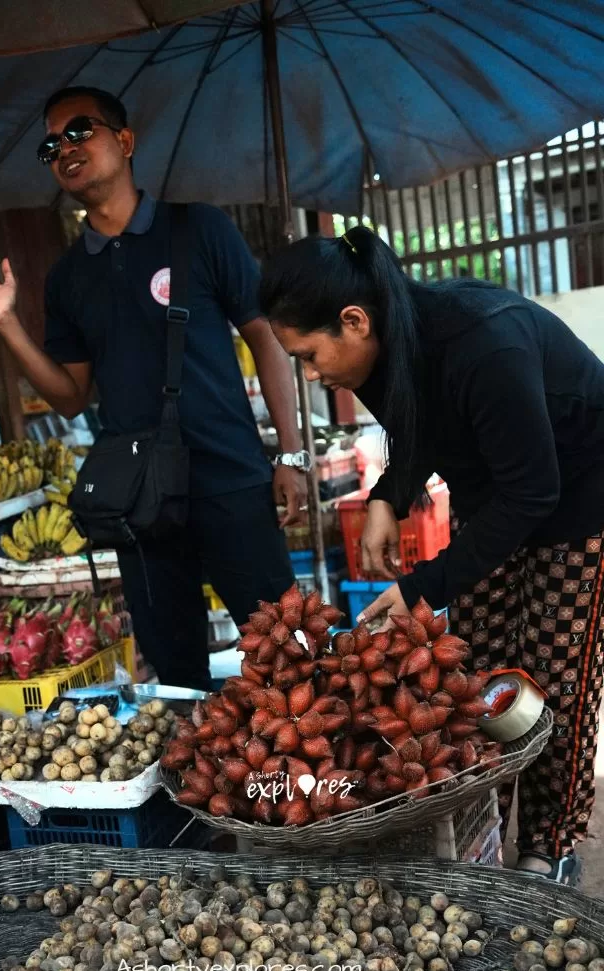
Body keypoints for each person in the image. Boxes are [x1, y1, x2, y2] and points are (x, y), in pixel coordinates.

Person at [259, 225, 604, 885]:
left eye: (306, 354)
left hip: (581, 493)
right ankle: (483, 827)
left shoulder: (484, 341)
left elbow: (535, 490)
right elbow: (418, 425)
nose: (309, 373)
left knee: (556, 677)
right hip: (498, 496)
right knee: (474, 672)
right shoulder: (382, 350)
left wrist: (425, 585)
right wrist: (390, 493)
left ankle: (549, 844)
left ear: (354, 321)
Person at [0, 86, 308, 692]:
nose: (64, 148)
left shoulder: (200, 230)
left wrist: (292, 454)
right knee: (177, 675)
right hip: (139, 499)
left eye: (79, 131)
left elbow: (266, 335)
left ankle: (303, 783)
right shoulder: (68, 278)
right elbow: (68, 397)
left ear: (125, 140)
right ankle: (208, 782)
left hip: (231, 476)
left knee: (284, 653)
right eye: (51, 145)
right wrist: (7, 323)